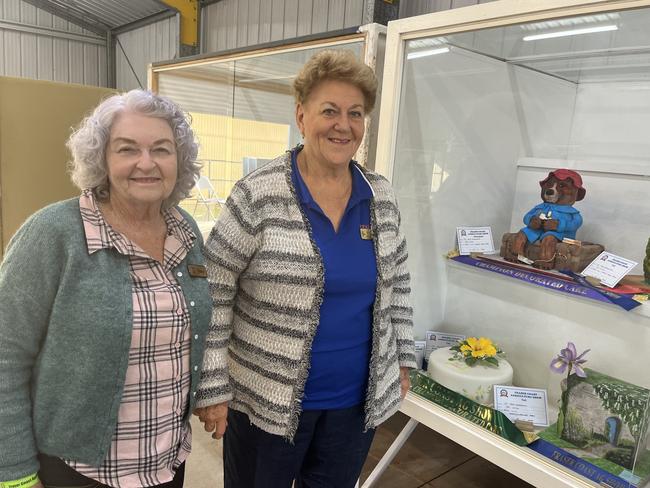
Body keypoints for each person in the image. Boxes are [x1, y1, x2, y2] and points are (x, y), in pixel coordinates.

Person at [194, 50, 416, 488]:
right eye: (329, 110)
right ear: (301, 114)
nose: (343, 124)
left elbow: (399, 285)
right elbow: (213, 292)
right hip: (264, 401)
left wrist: (403, 357)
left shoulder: (380, 197)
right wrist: (213, 385)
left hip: (354, 409)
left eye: (355, 113)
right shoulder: (258, 195)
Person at [0, 89, 212, 488]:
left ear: (178, 160)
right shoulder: (53, 234)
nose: (146, 163)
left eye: (162, 149)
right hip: (78, 470)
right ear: (102, 158)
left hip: (167, 462)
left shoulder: (185, 229)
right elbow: (5, 356)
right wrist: (14, 473)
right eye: (127, 149)